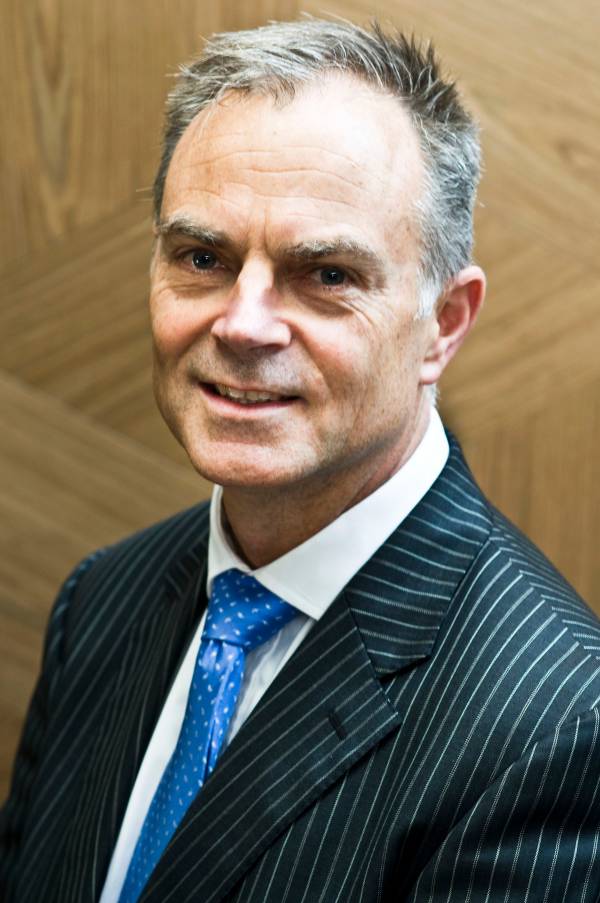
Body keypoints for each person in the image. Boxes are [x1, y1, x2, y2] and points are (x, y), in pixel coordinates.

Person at [2, 17, 600, 903]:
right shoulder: (100, 599)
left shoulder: (553, 727)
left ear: (443, 324)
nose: (243, 325)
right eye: (202, 257)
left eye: (326, 275)